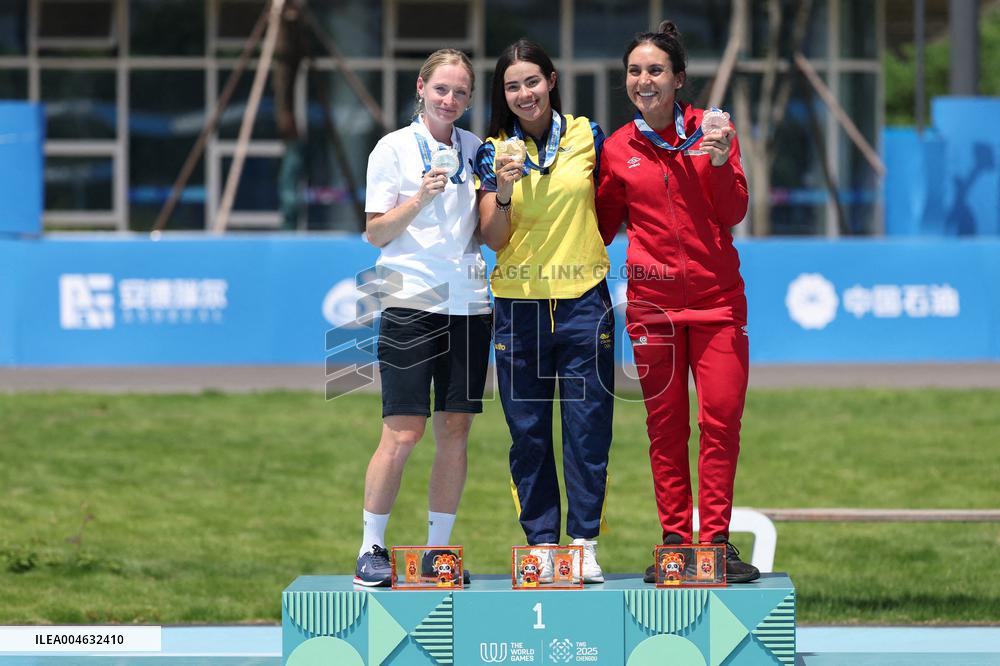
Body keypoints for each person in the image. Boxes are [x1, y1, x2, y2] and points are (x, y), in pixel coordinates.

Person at [595, 21, 760, 583]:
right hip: (654, 311)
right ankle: (673, 544)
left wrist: (719, 161)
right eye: (635, 71)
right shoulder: (618, 148)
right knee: (665, 428)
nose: (645, 80)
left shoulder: (714, 133)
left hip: (718, 305)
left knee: (721, 422)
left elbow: (733, 210)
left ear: (679, 79)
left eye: (656, 71)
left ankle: (712, 542)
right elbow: (601, 222)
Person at [476, 39, 614, 584]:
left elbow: (611, 205)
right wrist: (504, 193)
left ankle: (583, 544)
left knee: (587, 429)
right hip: (518, 310)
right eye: (513, 85)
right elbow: (491, 236)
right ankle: (541, 546)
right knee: (528, 431)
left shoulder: (587, 135)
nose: (524, 93)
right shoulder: (492, 151)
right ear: (503, 94)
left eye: (532, 81)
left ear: (551, 81)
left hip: (585, 305)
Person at [355, 49, 491, 587]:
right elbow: (376, 232)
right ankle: (371, 546)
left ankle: (439, 551)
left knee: (455, 429)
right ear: (421, 87)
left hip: (468, 305)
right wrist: (418, 198)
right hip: (409, 301)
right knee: (404, 432)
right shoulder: (391, 149)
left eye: (460, 92)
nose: (450, 100)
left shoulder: (477, 148)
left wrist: (502, 192)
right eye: (441, 89)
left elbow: (480, 231)